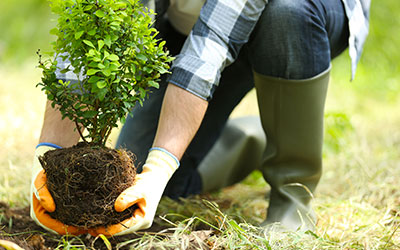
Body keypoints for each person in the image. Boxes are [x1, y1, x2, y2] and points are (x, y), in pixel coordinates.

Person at [31, 0, 370, 236]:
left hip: (300, 18)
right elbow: (96, 21)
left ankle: (292, 194)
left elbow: (209, 47)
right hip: (185, 20)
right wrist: (46, 158)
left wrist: (160, 164)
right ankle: (257, 138)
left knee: (286, 13)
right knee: (146, 186)